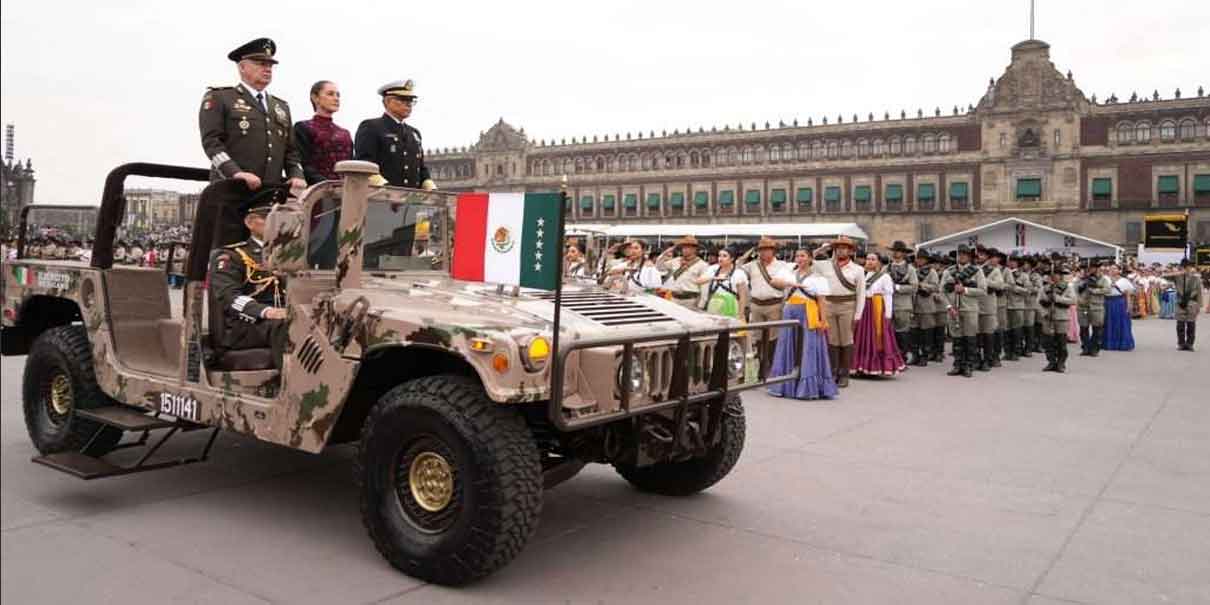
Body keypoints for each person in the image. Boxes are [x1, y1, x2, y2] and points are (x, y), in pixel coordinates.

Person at [198, 37, 305, 246]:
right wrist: (235, 173)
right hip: (231, 193)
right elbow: (212, 143)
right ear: (242, 67)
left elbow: (290, 151)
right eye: (260, 64)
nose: (267, 69)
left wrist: (296, 175)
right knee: (227, 251)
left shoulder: (280, 107)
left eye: (270, 65)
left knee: (267, 257)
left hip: (267, 196)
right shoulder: (220, 97)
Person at [208, 199, 290, 369]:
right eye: (269, 217)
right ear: (250, 222)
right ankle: (294, 385)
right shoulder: (232, 255)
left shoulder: (288, 254)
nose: (276, 224)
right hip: (246, 323)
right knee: (285, 326)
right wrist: (266, 311)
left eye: (279, 218)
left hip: (280, 316)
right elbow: (228, 296)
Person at [768, 248, 837, 400]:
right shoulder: (789, 272)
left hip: (808, 311)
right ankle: (785, 384)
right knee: (787, 344)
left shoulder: (818, 278)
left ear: (810, 258)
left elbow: (822, 300)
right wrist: (790, 283)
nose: (800, 259)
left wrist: (823, 320)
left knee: (809, 346)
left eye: (803, 256)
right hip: (790, 310)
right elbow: (773, 281)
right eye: (797, 256)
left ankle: (808, 386)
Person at [354, 80, 435, 190]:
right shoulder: (371, 127)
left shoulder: (414, 134)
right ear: (388, 101)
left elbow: (421, 169)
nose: (409, 104)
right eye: (403, 99)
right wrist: (387, 189)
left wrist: (431, 188)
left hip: (412, 201)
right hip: (380, 199)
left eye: (411, 100)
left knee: (463, 205)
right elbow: (365, 164)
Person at [811, 235, 865, 388]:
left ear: (850, 251)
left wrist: (858, 314)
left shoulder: (858, 269)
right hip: (829, 304)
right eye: (838, 247)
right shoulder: (826, 265)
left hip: (848, 305)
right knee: (832, 340)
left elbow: (861, 293)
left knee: (846, 340)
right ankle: (833, 371)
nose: (841, 250)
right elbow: (809, 260)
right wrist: (823, 248)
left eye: (844, 248)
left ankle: (844, 374)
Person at [851, 253, 905, 376]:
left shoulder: (884, 277)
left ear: (879, 262)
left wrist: (888, 315)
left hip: (876, 309)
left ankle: (877, 366)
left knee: (876, 337)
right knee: (861, 337)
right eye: (868, 259)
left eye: (873, 259)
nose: (869, 262)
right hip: (863, 308)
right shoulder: (861, 275)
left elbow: (888, 296)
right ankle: (860, 366)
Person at [294, 80, 353, 185]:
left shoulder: (345, 133)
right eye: (330, 94)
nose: (336, 98)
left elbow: (352, 165)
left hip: (346, 192)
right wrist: (326, 184)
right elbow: (303, 164)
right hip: (316, 192)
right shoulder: (303, 127)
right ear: (315, 98)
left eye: (338, 95)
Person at [742, 236, 789, 367]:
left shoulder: (782, 265)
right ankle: (762, 363)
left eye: (767, 250)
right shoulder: (752, 265)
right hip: (756, 305)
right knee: (758, 336)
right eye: (761, 250)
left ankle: (772, 363)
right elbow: (737, 265)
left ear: (773, 251)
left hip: (774, 304)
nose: (763, 252)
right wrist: (748, 253)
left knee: (773, 336)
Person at [941, 245, 986, 377]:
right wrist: (949, 307)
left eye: (965, 254)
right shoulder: (948, 272)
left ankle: (968, 365)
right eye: (960, 254)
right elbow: (941, 291)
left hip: (969, 309)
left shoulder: (977, 272)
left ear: (969, 256)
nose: (961, 256)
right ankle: (957, 364)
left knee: (969, 338)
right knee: (956, 338)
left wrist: (965, 290)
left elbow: (983, 291)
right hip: (953, 310)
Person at [1039, 263, 1077, 372]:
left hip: (1061, 318)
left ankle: (1061, 363)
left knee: (1061, 342)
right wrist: (1044, 313)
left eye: (1057, 274)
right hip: (1048, 318)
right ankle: (1051, 362)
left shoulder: (1067, 288)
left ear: (1061, 276)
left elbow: (1073, 300)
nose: (1054, 276)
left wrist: (1059, 298)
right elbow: (1038, 302)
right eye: (1053, 274)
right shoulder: (1045, 288)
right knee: (1048, 342)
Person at [887, 241, 919, 366]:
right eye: (894, 250)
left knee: (903, 331)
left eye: (899, 251)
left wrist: (898, 287)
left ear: (904, 253)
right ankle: (892, 356)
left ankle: (903, 357)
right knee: (891, 331)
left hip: (903, 305)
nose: (896, 253)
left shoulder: (910, 269)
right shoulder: (887, 268)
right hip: (889, 305)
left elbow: (914, 287)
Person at [655, 235, 709, 309]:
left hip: (691, 300)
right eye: (683, 247)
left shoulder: (702, 265)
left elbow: (704, 287)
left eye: (688, 247)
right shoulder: (676, 261)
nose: (685, 249)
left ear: (694, 249)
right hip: (674, 298)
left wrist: (701, 305)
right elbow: (659, 267)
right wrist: (665, 253)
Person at [698, 247, 748, 319]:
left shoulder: (739, 273)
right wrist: (714, 278)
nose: (720, 258)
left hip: (731, 305)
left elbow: (742, 296)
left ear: (732, 259)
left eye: (724, 256)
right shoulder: (712, 269)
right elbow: (698, 281)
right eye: (719, 255)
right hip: (714, 304)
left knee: (729, 328)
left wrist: (741, 314)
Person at [1076, 262, 1112, 357]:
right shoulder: (1082, 279)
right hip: (1083, 307)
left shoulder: (1103, 279)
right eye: (1088, 268)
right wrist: (1079, 300)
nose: (1090, 270)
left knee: (1097, 329)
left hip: (1097, 306)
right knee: (1083, 328)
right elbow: (1075, 291)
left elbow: (1108, 290)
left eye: (1092, 268)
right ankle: (1085, 348)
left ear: (1097, 269)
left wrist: (1095, 291)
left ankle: (1094, 349)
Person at [911, 249, 939, 365]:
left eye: (922, 258)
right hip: (914, 304)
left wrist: (922, 285)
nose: (919, 260)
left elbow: (935, 287)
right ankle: (915, 355)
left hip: (926, 305)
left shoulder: (931, 272)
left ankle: (925, 355)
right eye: (918, 258)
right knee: (914, 332)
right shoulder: (913, 271)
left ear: (926, 260)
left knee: (926, 333)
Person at [1171, 258, 1203, 351]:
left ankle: (1190, 344)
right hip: (1180, 303)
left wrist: (1199, 306)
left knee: (1191, 325)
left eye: (1187, 267)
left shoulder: (1195, 278)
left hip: (1192, 303)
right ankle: (1181, 343)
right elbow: (1163, 276)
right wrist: (1178, 273)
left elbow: (1199, 293)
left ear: (1190, 267)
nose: (1186, 268)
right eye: (1184, 267)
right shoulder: (1177, 277)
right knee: (1180, 325)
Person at [1103, 264, 1136, 351]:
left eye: (1114, 269)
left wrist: (1128, 306)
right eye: (1111, 268)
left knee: (1121, 322)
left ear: (1119, 270)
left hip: (1119, 302)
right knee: (1107, 322)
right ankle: (1107, 343)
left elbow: (1128, 294)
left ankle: (1123, 343)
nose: (1112, 270)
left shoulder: (1124, 280)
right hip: (1107, 302)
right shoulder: (1105, 279)